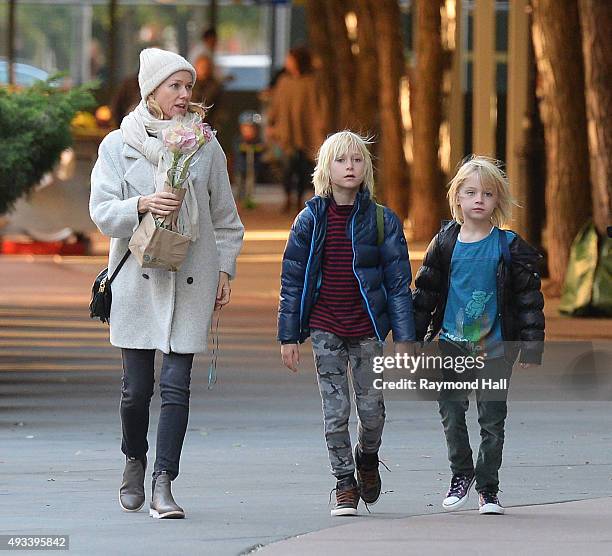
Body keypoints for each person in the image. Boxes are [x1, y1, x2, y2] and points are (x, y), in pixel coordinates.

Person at [89, 48, 244, 520]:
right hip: (138, 279)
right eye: (174, 86)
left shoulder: (205, 146)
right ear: (150, 90)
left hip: (191, 278)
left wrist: (224, 270)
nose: (183, 96)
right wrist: (142, 205)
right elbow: (101, 213)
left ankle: (164, 482)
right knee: (136, 391)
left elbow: (227, 221)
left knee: (177, 386)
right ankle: (134, 460)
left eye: (188, 87)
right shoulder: (118, 145)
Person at [277, 131, 415, 516]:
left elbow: (399, 283)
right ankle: (343, 482)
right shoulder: (310, 220)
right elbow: (291, 279)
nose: (350, 167)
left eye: (357, 160)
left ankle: (367, 459)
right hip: (325, 327)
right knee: (335, 412)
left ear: (366, 168)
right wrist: (289, 335)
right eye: (341, 161)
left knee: (372, 412)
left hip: (367, 328)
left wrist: (405, 338)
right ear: (326, 168)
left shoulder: (382, 220)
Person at [412, 155, 545, 515]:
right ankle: (461, 473)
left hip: (496, 348)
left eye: (487, 194)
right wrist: (411, 339)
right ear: (457, 198)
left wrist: (531, 346)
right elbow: (425, 293)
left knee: (492, 420)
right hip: (452, 344)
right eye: (470, 192)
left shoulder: (508, 246)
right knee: (451, 413)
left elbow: (528, 298)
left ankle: (488, 488)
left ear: (497, 201)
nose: (479, 200)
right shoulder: (444, 243)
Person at [267, 46, 325, 212]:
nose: (287, 62)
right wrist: (271, 123)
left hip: (305, 132)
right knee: (287, 166)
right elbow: (276, 105)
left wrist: (319, 127)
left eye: (290, 59)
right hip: (286, 131)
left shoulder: (312, 82)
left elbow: (318, 106)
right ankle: (287, 196)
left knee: (302, 166)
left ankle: (299, 198)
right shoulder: (284, 82)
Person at [191, 54, 223, 128]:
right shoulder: (189, 84)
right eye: (201, 67)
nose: (204, 70)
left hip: (209, 125)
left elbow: (220, 111)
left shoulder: (215, 87)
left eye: (206, 67)